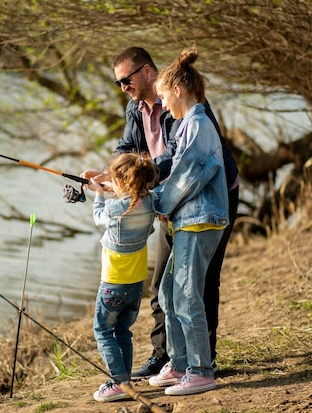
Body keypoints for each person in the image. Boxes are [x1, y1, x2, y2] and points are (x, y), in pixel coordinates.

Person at [82, 46, 240, 380]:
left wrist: (144, 188)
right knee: (165, 285)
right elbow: (127, 148)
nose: (123, 87)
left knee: (199, 282)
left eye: (126, 79)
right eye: (118, 83)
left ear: (148, 72)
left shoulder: (184, 107)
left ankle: (202, 362)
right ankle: (168, 356)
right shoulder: (135, 108)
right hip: (171, 201)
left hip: (204, 202)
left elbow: (179, 160)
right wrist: (110, 176)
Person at [148, 45, 229, 396]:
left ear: (178, 90)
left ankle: (201, 370)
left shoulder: (197, 125)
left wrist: (157, 202)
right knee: (168, 292)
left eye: (163, 96)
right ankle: (179, 362)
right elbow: (173, 171)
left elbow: (185, 177)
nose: (163, 104)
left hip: (200, 222)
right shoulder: (185, 126)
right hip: (187, 221)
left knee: (186, 296)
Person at [88, 152, 158, 402]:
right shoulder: (150, 202)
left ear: (123, 182)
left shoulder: (115, 207)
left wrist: (98, 192)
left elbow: (99, 217)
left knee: (103, 331)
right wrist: (112, 186)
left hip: (113, 283)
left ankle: (118, 382)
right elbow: (135, 203)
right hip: (137, 283)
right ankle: (124, 379)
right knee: (123, 331)